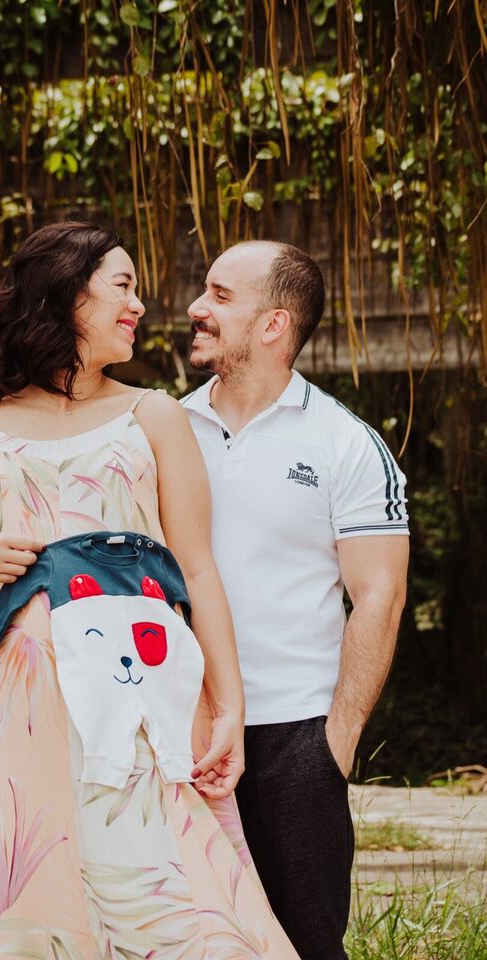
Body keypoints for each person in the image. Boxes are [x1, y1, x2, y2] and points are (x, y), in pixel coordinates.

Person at [0, 223, 299, 960]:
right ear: (65, 294)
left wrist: (228, 706)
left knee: (166, 892)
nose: (139, 305)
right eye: (122, 286)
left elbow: (198, 569)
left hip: (139, 700)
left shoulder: (152, 415)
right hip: (18, 716)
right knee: (33, 901)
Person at [182, 240, 410, 960]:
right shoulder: (162, 432)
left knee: (307, 944)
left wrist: (333, 746)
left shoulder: (347, 443)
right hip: (179, 734)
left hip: (296, 740)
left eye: (220, 295)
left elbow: (379, 595)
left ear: (273, 324)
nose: (196, 307)